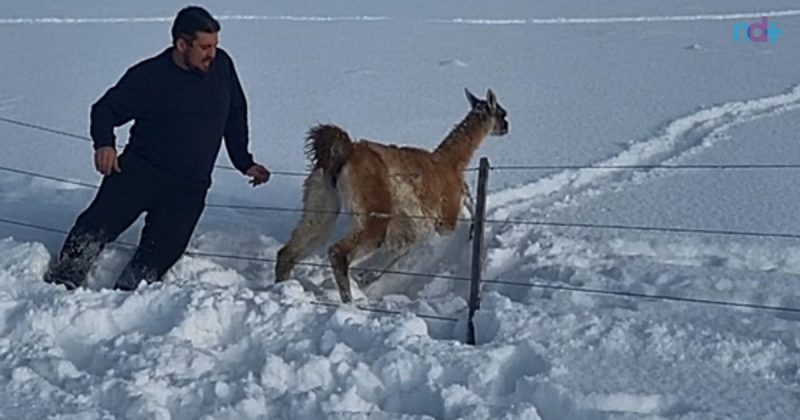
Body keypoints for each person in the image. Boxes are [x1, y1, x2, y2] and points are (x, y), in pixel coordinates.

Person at [44, 6, 270, 290]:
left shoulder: (222, 66)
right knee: (94, 227)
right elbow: (105, 109)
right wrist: (104, 144)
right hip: (140, 172)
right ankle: (62, 283)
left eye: (214, 45)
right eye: (204, 47)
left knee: (159, 255)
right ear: (181, 44)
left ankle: (126, 298)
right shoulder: (151, 76)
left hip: (189, 187)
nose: (211, 53)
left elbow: (235, 113)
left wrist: (244, 161)